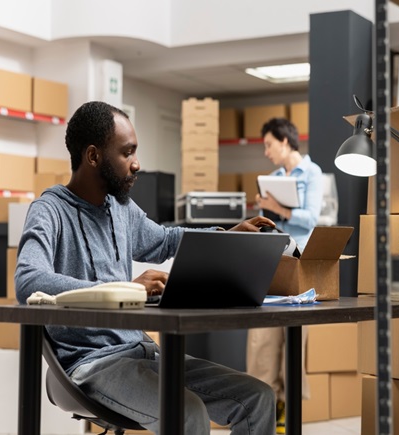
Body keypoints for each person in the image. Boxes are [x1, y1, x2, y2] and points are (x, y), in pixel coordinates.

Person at [15, 101, 279, 435]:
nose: (137, 164)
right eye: (127, 153)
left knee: (259, 397)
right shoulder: (49, 210)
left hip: (143, 351)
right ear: (93, 156)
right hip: (90, 363)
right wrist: (124, 291)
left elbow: (165, 240)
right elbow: (28, 282)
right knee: (186, 412)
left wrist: (227, 235)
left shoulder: (120, 208)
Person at [246, 117, 324, 434]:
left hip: (301, 262)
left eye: (268, 145)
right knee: (264, 334)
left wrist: (281, 207)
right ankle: (264, 398)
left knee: (294, 334)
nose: (266, 152)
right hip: (273, 256)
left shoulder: (312, 172)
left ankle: (287, 405)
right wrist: (266, 209)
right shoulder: (275, 177)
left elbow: (311, 219)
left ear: (285, 141)